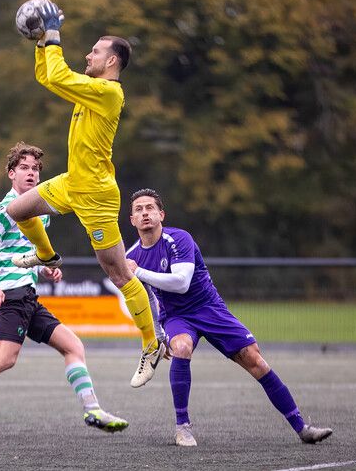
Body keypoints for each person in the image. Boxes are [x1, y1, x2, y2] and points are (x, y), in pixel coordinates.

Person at [6, 0, 164, 388]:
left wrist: (53, 35)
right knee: (18, 210)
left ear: (112, 62)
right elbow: (49, 78)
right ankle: (46, 254)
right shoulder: (91, 89)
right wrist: (41, 43)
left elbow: (58, 77)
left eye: (95, 51)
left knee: (118, 272)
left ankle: (150, 343)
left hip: (95, 194)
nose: (88, 55)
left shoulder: (109, 93)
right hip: (72, 182)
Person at [0, 142, 128, 435]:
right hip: (14, 294)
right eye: (24, 168)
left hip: (28, 294)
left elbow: (26, 251)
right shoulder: (7, 209)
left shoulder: (38, 209)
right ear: (11, 173)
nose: (31, 173)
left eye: (35, 169)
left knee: (73, 346)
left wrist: (43, 266)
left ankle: (92, 409)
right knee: (4, 358)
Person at [125, 188, 333, 446]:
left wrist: (140, 273)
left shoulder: (179, 239)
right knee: (181, 346)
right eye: (138, 210)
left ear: (161, 214)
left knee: (255, 360)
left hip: (209, 308)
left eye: (149, 208)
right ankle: (183, 428)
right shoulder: (131, 257)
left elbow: (181, 282)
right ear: (132, 220)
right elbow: (141, 300)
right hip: (177, 316)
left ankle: (303, 428)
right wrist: (157, 334)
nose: (145, 213)